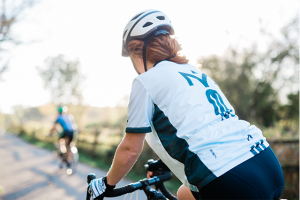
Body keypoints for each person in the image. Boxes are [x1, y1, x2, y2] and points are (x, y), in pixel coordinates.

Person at [88, 9, 284, 200]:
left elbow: (130, 149)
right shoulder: (194, 72)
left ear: (137, 52)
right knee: (183, 193)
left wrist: (105, 184)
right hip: (265, 160)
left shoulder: (145, 81)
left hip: (228, 177)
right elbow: (201, 124)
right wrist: (166, 163)